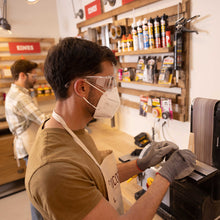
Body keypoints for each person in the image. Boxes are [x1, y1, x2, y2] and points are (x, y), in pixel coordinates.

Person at [25, 37, 196, 220]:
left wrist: (141, 163)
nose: (113, 91)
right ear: (82, 87)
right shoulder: (55, 170)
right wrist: (166, 174)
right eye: (108, 84)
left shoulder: (71, 130)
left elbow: (97, 176)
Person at [5, 59, 47, 220]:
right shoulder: (20, 97)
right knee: (38, 189)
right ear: (22, 75)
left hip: (27, 146)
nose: (35, 79)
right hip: (29, 147)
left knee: (37, 188)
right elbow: (41, 118)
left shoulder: (19, 93)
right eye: (33, 76)